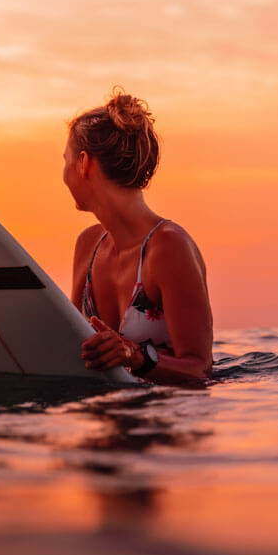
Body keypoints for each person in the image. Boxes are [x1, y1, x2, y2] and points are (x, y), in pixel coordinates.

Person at [64, 88, 213, 383]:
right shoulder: (88, 245)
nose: (63, 173)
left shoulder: (170, 248)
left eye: (65, 159)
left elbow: (200, 368)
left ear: (84, 163)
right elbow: (70, 345)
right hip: (102, 420)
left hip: (165, 419)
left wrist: (134, 355)